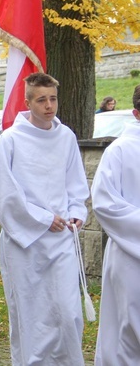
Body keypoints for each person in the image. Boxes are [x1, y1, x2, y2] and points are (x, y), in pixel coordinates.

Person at [0, 73, 89, 366]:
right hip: (25, 242)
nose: (49, 105)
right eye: (41, 99)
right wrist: (41, 218)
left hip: (61, 238)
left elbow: (75, 183)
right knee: (33, 315)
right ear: (28, 102)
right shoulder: (11, 140)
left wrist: (77, 211)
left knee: (69, 312)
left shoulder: (65, 136)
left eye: (53, 98)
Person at [89, 84, 140, 365]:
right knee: (127, 329)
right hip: (129, 254)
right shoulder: (119, 150)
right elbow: (105, 204)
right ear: (136, 113)